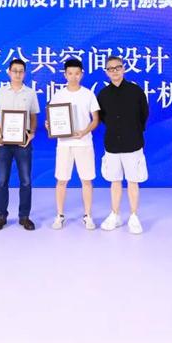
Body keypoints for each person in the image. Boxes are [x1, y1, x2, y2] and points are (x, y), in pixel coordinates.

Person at [96, 56, 149, 234]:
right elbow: (102, 118)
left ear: (124, 69)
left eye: (117, 67)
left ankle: (134, 216)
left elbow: (144, 114)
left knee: (133, 181)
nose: (114, 71)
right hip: (112, 144)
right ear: (106, 72)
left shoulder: (135, 91)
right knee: (115, 181)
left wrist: (133, 130)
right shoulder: (103, 95)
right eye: (110, 69)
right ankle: (115, 214)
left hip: (132, 143)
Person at [46, 59, 100, 230]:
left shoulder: (88, 94)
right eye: (70, 73)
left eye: (77, 73)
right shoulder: (58, 95)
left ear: (81, 74)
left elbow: (95, 119)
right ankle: (59, 215)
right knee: (61, 180)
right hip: (64, 144)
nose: (73, 76)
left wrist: (84, 132)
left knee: (86, 180)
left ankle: (88, 216)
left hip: (84, 143)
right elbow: (52, 118)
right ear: (65, 75)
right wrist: (50, 125)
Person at [0, 58, 39, 231]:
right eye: (14, 71)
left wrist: (31, 133)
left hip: (23, 143)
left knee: (25, 181)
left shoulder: (30, 93)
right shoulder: (0, 92)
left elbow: (33, 116)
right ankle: (1, 216)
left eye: (21, 71)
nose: (18, 74)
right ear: (9, 72)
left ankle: (24, 217)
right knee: (2, 181)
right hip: (4, 142)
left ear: (24, 73)